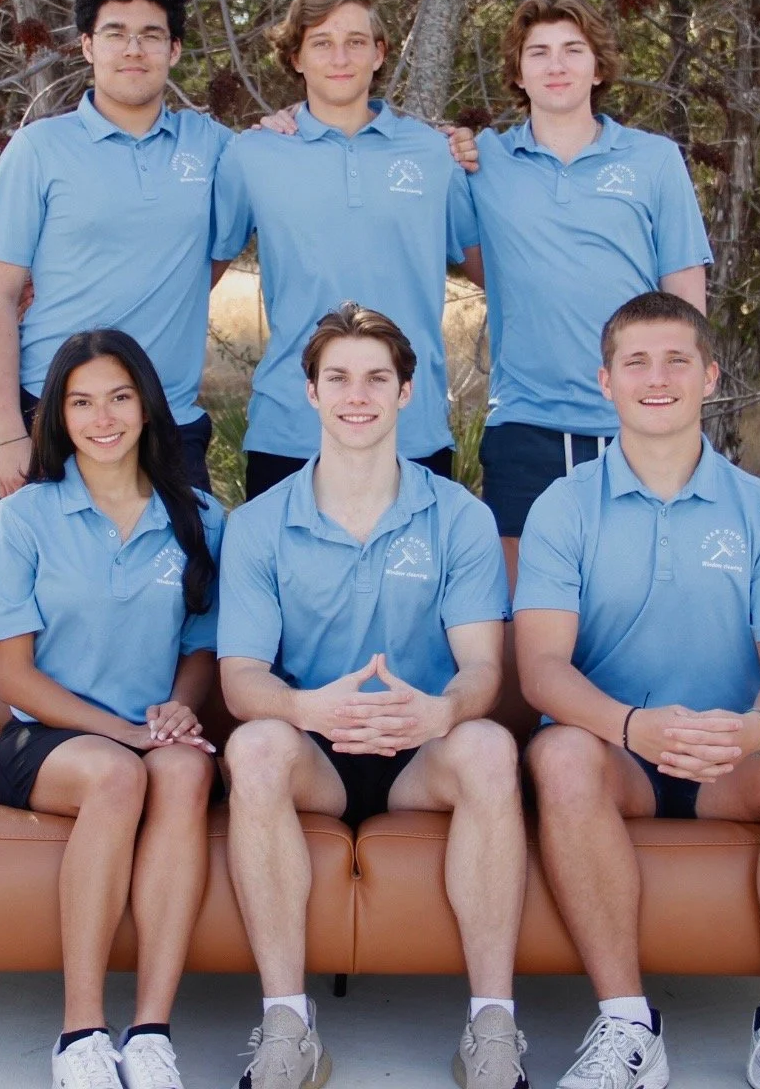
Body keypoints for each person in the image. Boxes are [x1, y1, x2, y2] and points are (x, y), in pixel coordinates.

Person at [515, 292, 760, 1089]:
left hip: (732, 760)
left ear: (710, 376)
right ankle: (628, 1026)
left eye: (676, 361)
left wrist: (755, 730)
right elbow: (542, 670)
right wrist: (634, 729)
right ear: (605, 382)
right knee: (559, 755)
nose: (656, 378)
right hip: (617, 755)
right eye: (636, 361)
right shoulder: (564, 506)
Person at [215, 303, 527, 1089]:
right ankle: (289, 1025)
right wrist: (305, 710)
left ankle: (493, 1026)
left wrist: (443, 711)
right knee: (252, 745)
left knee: (490, 746)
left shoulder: (460, 518)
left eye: (376, 379)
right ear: (311, 392)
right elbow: (241, 679)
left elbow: (483, 671)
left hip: (421, 751)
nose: (358, 396)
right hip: (313, 752)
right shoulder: (257, 526)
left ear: (407, 392)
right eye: (339, 378)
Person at [0, 329, 225, 1089]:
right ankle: (80, 1035)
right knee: (121, 776)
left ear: (148, 408)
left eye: (119, 397)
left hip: (147, 735)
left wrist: (180, 712)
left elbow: (200, 650)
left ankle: (150, 1032)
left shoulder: (202, 520)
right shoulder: (26, 519)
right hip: (46, 741)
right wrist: (124, 733)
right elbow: (12, 678)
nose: (103, 417)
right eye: (82, 402)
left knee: (183, 774)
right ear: (60, 416)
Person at [468, 0, 713, 582]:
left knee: (638, 591)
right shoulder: (481, 162)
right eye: (539, 52)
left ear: (597, 67)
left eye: (573, 51)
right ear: (518, 72)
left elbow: (685, 299)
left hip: (632, 420)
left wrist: (677, 402)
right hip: (525, 421)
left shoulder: (654, 160)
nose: (556, 65)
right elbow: (484, 267)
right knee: (522, 608)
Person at [212, 0, 480, 501]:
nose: (340, 57)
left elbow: (492, 272)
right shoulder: (253, 155)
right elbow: (197, 276)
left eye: (356, 42)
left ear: (379, 54)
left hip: (412, 425)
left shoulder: (435, 155)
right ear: (296, 58)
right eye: (321, 43)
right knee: (293, 585)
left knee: (413, 585)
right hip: (292, 427)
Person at [0, 0, 227, 498]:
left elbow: (277, 180)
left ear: (174, 51)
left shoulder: (212, 147)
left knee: (187, 577)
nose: (134, 49)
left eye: (152, 36)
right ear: (88, 46)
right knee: (60, 581)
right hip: (56, 415)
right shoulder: (38, 150)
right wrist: (9, 435)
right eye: (116, 34)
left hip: (168, 419)